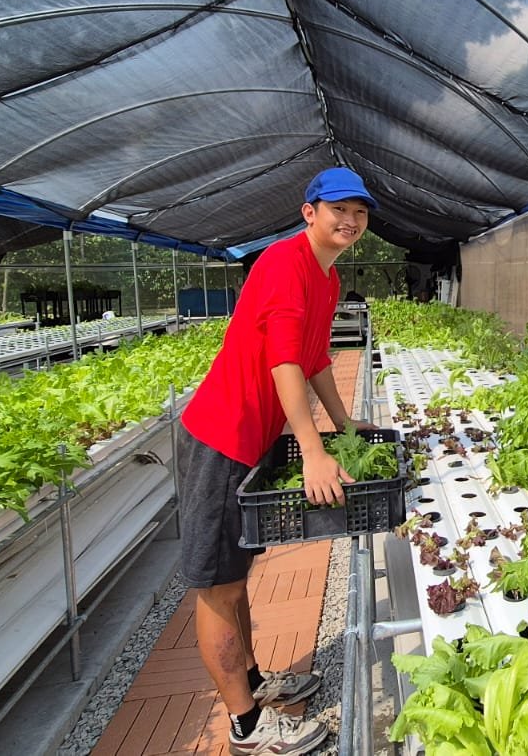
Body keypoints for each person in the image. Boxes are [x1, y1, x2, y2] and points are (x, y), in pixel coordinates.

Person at [177, 166, 380, 756]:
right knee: (216, 585)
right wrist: (313, 452)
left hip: (254, 440)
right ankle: (245, 726)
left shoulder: (328, 278)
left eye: (360, 213)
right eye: (338, 208)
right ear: (308, 211)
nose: (351, 220)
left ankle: (257, 682)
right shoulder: (284, 265)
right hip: (223, 439)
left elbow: (315, 358)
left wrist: (344, 425)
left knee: (238, 575)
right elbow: (283, 364)